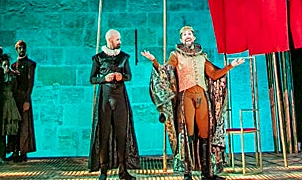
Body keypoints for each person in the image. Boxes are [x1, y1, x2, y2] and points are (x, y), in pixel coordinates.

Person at [142, 25, 245, 180]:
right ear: (181, 39)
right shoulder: (175, 54)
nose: (187, 36)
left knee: (205, 133)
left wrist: (231, 66)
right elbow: (167, 70)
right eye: (184, 35)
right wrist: (155, 61)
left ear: (194, 37)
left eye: (189, 34)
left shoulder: (202, 56)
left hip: (202, 96)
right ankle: (187, 172)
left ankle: (206, 173)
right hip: (186, 97)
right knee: (187, 133)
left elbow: (214, 75)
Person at [89, 28, 140, 180]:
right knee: (104, 134)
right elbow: (92, 79)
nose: (120, 42)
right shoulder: (98, 58)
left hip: (120, 99)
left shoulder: (124, 57)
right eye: (117, 39)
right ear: (110, 40)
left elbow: (129, 76)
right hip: (105, 99)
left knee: (121, 135)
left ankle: (123, 170)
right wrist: (105, 78)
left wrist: (121, 76)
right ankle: (103, 170)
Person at [10, 39, 37, 162]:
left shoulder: (30, 64)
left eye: (23, 48)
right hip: (14, 98)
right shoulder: (13, 65)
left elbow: (30, 83)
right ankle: (14, 150)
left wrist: (27, 99)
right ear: (16, 50)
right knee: (15, 124)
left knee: (25, 125)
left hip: (24, 97)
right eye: (19, 48)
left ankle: (23, 151)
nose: (21, 50)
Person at [0, 50, 22, 161]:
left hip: (11, 101)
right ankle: (1, 153)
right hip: (3, 102)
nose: (6, 67)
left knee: (13, 127)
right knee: (2, 129)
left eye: (7, 64)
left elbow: (15, 88)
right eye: (4, 65)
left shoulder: (12, 76)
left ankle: (14, 152)